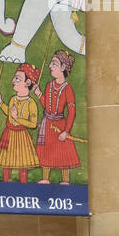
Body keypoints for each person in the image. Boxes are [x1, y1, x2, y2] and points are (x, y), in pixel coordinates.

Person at [34, 50, 80, 184]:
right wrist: (38, 94)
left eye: (54, 64)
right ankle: (45, 177)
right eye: (51, 63)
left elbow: (72, 111)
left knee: (63, 152)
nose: (50, 66)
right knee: (46, 150)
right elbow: (47, 107)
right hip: (48, 123)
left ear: (63, 67)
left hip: (60, 124)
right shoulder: (49, 85)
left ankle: (65, 179)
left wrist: (66, 131)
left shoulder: (67, 89)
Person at [0, 64, 40, 182]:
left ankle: (23, 186)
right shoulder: (13, 99)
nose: (13, 80)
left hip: (22, 136)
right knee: (6, 163)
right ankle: (5, 184)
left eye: (17, 78)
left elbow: (33, 124)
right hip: (9, 133)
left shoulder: (31, 103)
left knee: (22, 164)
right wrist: (0, 101)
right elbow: (9, 112)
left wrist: (17, 118)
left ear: (27, 83)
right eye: (14, 77)